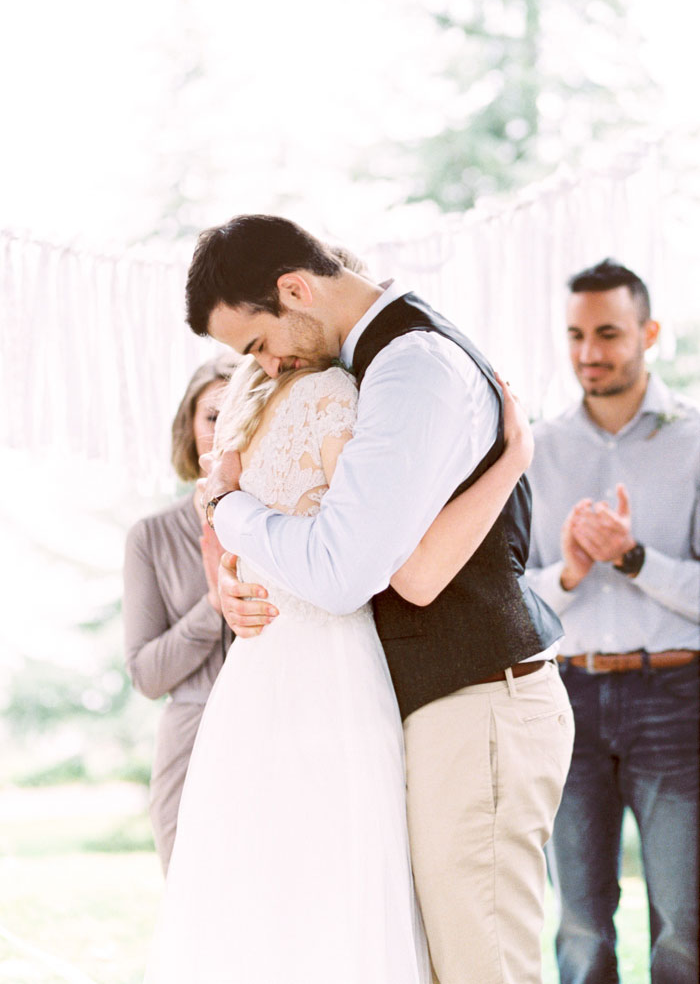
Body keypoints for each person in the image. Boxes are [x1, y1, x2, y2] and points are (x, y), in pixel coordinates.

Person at [188, 214, 573, 984]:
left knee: (482, 966)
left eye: (258, 343)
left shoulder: (412, 367)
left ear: (294, 288)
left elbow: (348, 569)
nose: (264, 367)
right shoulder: (373, 363)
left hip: (479, 699)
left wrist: (227, 507)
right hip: (432, 704)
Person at [144, 343, 535, 984]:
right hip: (329, 663)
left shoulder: (250, 405)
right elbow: (376, 570)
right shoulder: (334, 395)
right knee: (342, 872)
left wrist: (229, 575)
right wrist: (515, 457)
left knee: (264, 882)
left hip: (256, 676)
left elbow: (223, 544)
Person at [525, 259, 700, 984]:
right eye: (575, 335)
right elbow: (513, 597)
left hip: (675, 700)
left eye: (607, 334)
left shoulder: (694, 439)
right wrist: (569, 571)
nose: (589, 353)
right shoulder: (535, 447)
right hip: (566, 701)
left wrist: (631, 559)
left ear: (648, 333)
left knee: (684, 934)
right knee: (581, 932)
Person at [123, 355, 236, 873]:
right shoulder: (151, 537)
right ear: (189, 428)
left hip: (283, 732)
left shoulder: (292, 526)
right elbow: (147, 675)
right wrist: (213, 603)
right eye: (213, 416)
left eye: (242, 412)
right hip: (189, 742)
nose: (225, 429)